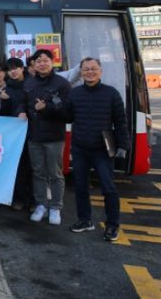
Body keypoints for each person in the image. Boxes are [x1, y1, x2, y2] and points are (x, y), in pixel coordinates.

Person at [66, 57, 129, 242]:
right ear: (81, 72)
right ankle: (85, 220)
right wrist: (56, 104)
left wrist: (123, 145)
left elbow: (120, 121)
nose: (90, 72)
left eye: (93, 68)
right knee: (80, 186)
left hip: (102, 149)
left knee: (108, 188)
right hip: (80, 147)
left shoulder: (111, 93)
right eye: (86, 69)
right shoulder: (74, 93)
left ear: (100, 71)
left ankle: (112, 225)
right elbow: (67, 117)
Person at [22, 49, 71, 225]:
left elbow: (68, 113)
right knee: (38, 173)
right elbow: (23, 103)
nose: (42, 64)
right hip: (34, 136)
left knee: (55, 174)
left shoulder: (62, 84)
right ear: (34, 65)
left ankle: (56, 207)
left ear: (52, 62)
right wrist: (21, 111)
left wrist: (47, 108)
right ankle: (41, 205)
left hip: (54, 137)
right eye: (38, 61)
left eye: (46, 60)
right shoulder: (29, 83)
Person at [5, 58, 33, 210]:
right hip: (12, 134)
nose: (13, 71)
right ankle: (18, 198)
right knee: (17, 167)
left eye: (16, 68)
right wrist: (6, 101)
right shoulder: (6, 87)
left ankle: (33, 200)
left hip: (31, 131)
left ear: (23, 68)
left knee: (31, 167)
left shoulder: (31, 84)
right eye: (10, 69)